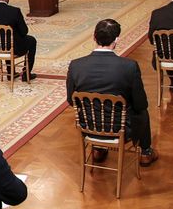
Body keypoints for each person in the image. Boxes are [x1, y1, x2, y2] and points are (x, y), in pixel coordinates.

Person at [66, 19, 159, 166]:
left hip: (88, 127)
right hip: (120, 128)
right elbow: (140, 103)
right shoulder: (129, 66)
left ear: (94, 37)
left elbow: (71, 100)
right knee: (142, 112)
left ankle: (98, 149)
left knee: (95, 109)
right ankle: (146, 152)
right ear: (116, 40)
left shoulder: (76, 65)